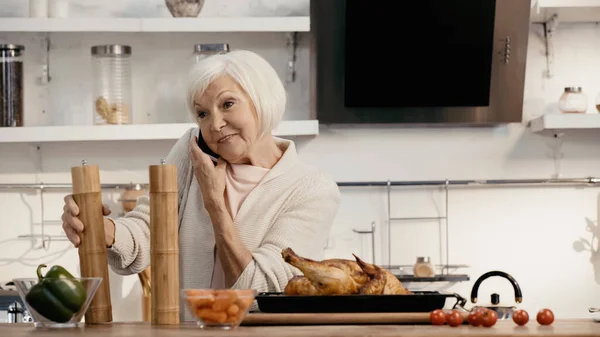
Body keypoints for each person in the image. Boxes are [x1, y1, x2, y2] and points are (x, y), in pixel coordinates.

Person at [60, 49, 340, 319]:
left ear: (261, 100)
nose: (215, 124)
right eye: (202, 114)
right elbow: (148, 229)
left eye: (227, 104)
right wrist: (102, 228)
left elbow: (263, 290)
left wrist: (215, 203)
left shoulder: (311, 189)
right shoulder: (192, 151)